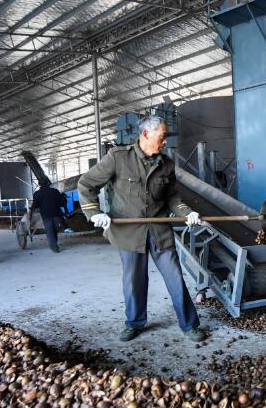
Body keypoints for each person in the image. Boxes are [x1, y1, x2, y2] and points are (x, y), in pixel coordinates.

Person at [78, 115, 206, 342]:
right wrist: (94, 212)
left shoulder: (165, 164)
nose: (165, 141)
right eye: (163, 136)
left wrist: (187, 213)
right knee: (134, 281)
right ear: (146, 134)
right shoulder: (118, 158)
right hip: (129, 233)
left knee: (175, 277)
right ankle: (134, 323)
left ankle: (189, 325)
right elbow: (86, 184)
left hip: (159, 231)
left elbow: (172, 198)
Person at [31, 179, 67, 253]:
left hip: (46, 215)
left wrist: (32, 210)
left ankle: (54, 247)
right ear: (48, 183)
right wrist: (63, 197)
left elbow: (35, 205)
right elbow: (61, 203)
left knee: (50, 231)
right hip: (56, 214)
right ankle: (54, 244)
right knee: (55, 229)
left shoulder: (37, 194)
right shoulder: (54, 191)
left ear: (39, 184)